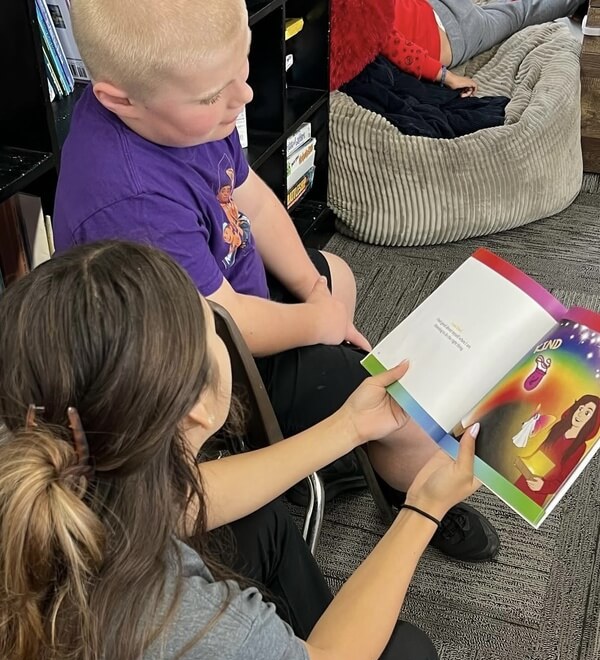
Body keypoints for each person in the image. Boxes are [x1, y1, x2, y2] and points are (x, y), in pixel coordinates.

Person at [0, 241, 510, 660]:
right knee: (405, 658)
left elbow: (188, 501)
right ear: (197, 407)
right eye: (209, 326)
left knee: (257, 525)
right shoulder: (180, 628)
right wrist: (423, 508)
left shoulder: (48, 461)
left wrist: (348, 428)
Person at [52, 0, 499, 563]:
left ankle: (332, 438)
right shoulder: (131, 199)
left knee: (336, 274)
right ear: (120, 99)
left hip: (229, 301)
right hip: (198, 370)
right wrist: (316, 322)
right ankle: (417, 495)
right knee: (397, 409)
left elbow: (254, 203)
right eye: (217, 93)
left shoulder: (189, 109)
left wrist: (316, 296)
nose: (244, 98)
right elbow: (223, 321)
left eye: (243, 72)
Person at [382, 0, 582, 96]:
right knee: (508, 13)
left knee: (518, 14)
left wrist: (448, 78)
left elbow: (397, 48)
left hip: (451, 32)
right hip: (444, 24)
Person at [515, 394, 600, 504]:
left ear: (592, 421)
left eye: (587, 412)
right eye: (580, 408)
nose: (580, 414)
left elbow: (562, 479)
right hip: (527, 476)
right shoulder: (558, 428)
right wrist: (523, 462)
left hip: (539, 488)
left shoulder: (580, 447)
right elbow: (540, 452)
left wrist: (543, 486)